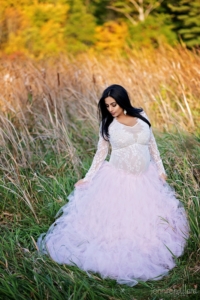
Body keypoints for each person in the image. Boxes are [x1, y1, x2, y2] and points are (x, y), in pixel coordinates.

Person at [37, 84, 189, 287]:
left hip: (146, 178)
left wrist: (161, 170)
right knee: (118, 222)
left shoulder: (142, 116)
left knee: (150, 220)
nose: (110, 109)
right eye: (107, 106)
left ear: (123, 100)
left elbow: (152, 145)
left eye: (113, 104)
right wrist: (88, 178)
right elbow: (100, 154)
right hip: (119, 179)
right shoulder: (108, 125)